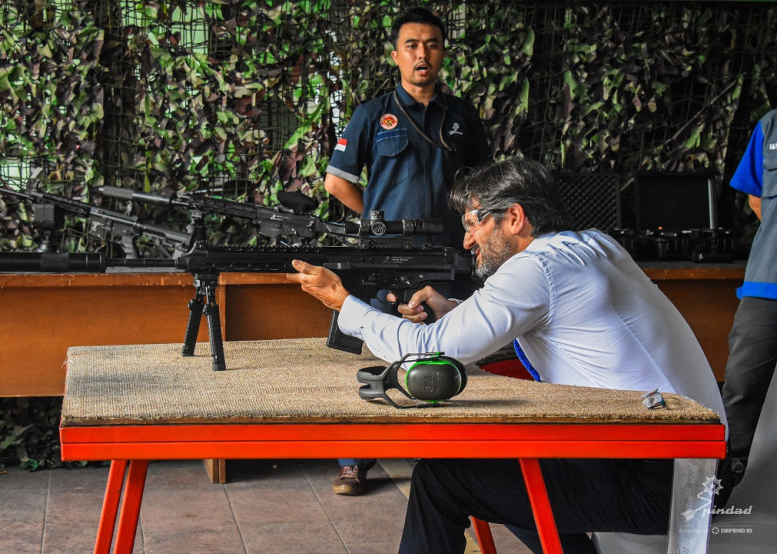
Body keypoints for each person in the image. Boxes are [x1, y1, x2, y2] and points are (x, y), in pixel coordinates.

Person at [289, 158, 726, 552]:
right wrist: (454, 314)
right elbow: (552, 325)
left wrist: (343, 302)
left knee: (442, 479)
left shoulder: (535, 268)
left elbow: (422, 351)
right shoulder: (593, 245)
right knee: (507, 465)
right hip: (689, 456)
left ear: (514, 217)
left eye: (473, 223)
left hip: (662, 477)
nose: (466, 240)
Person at [323, 6, 490, 495]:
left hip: (448, 255)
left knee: (452, 349)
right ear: (396, 54)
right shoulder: (371, 114)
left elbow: (483, 185)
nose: (423, 54)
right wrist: (374, 222)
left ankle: (453, 459)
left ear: (442, 53)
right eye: (412, 45)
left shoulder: (462, 116)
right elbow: (337, 182)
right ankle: (354, 460)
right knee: (374, 343)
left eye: (432, 44)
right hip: (385, 256)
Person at [718, 107, 777, 502]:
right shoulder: (770, 125)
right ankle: (719, 488)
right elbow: (758, 200)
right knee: (740, 388)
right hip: (767, 284)